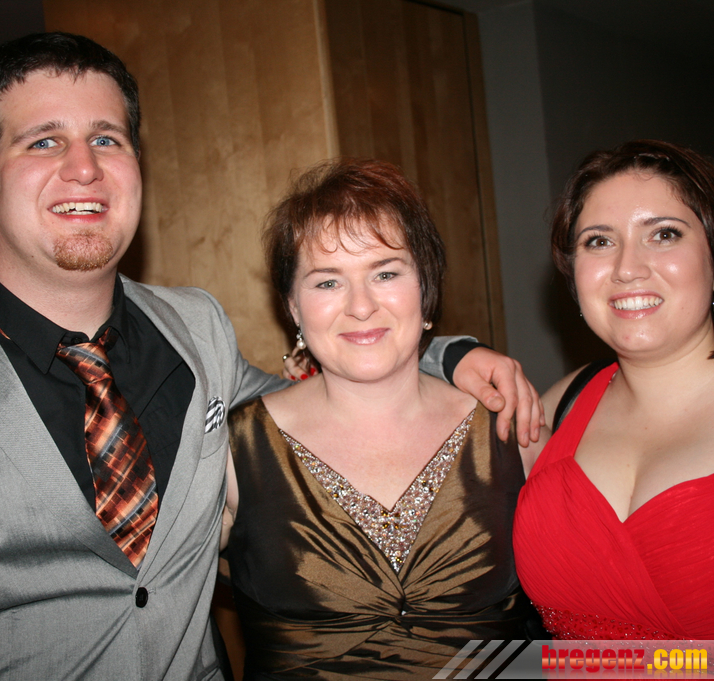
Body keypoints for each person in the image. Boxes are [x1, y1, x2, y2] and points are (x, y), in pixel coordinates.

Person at [0, 33, 542, 680]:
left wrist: (447, 355)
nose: (83, 168)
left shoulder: (197, 329)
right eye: (43, 142)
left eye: (107, 139)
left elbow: (336, 396)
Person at [512, 139, 714, 639]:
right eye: (598, 242)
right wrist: (456, 357)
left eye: (664, 234)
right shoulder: (558, 405)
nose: (627, 268)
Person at [221, 158, 540, 680]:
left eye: (386, 273)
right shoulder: (233, 453)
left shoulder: (514, 430)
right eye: (328, 283)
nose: (362, 306)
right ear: (293, 307)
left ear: (426, 288)